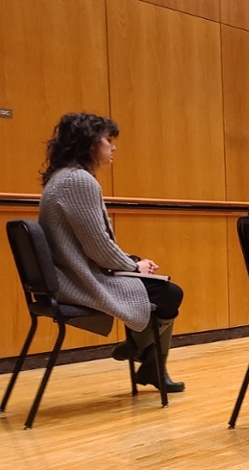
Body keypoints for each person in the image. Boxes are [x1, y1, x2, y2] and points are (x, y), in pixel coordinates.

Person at [37, 113, 186, 392]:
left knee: (155, 288)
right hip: (78, 280)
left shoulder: (62, 177)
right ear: (90, 143)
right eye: (108, 140)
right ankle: (138, 348)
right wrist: (133, 267)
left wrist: (132, 262)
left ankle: (150, 364)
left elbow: (94, 244)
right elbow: (98, 247)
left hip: (69, 274)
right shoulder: (79, 180)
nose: (113, 147)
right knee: (169, 293)